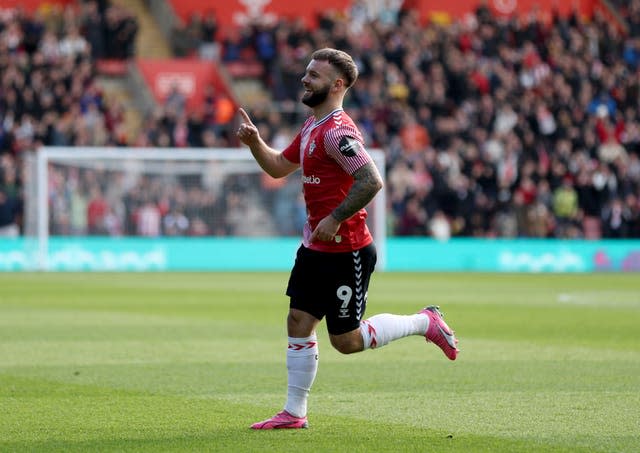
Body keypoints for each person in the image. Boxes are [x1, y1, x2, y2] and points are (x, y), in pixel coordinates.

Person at [236, 48, 459, 430]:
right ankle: (294, 412)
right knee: (298, 321)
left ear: (337, 84)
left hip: (347, 249)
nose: (305, 79)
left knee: (347, 341)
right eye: (305, 72)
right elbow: (277, 166)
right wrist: (256, 141)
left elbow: (372, 180)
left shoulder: (338, 132)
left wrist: (336, 217)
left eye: (314, 75)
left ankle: (425, 322)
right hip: (314, 247)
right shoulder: (311, 126)